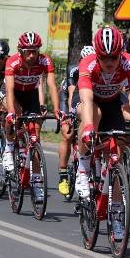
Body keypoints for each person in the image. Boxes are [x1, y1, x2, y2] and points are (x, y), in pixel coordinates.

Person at [75, 26, 130, 198]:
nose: (109, 62)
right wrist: (88, 127)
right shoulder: (87, 64)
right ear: (97, 55)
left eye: (113, 57)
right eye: (104, 58)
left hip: (112, 104)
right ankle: (82, 169)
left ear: (121, 53)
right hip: (89, 103)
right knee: (95, 113)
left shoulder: (129, 63)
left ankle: (116, 207)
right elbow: (87, 99)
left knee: (115, 156)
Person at [2, 32, 61, 171]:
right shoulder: (13, 62)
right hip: (12, 93)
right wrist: (11, 111)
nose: (32, 55)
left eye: (35, 51)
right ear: (20, 51)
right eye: (28, 52)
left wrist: (57, 109)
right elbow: (9, 89)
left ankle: (37, 178)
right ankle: (8, 149)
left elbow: (52, 85)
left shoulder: (45, 60)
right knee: (15, 114)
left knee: (35, 134)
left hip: (30, 93)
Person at [56, 45, 94, 196]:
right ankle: (63, 175)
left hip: (84, 99)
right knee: (67, 133)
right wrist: (70, 115)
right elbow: (72, 94)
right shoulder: (75, 70)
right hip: (69, 98)